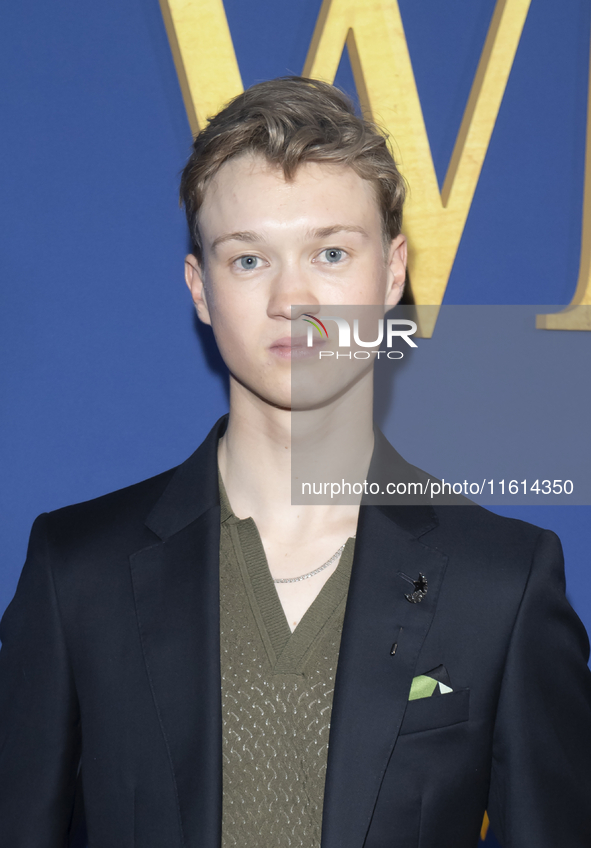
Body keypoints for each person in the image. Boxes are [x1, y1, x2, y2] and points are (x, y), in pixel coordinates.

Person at [1, 77, 590, 848]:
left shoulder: (501, 580)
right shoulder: (76, 570)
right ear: (199, 289)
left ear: (389, 274)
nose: (292, 297)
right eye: (248, 260)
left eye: (332, 252)